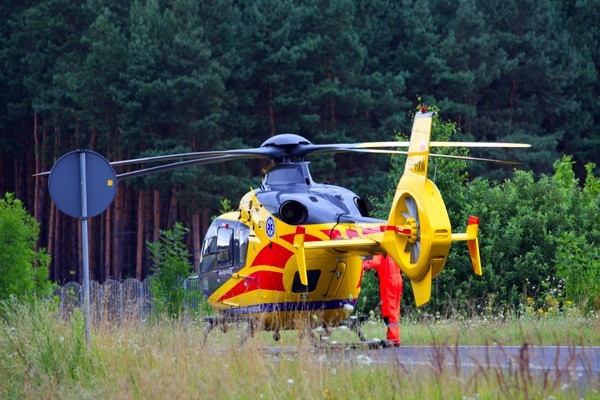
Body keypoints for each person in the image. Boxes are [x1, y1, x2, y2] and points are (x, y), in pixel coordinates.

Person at [363, 254, 403, 346]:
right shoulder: (392, 250)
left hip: (388, 282)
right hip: (398, 281)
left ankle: (394, 340)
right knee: (395, 311)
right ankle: (393, 338)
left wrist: (363, 263)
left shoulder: (381, 252)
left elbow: (374, 261)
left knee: (390, 312)